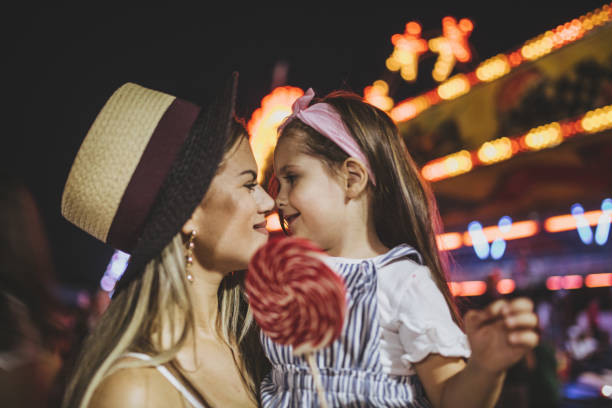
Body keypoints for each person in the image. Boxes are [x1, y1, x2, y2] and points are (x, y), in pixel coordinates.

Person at [265, 88, 539, 407]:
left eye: (292, 178)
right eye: (277, 184)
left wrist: (484, 368)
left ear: (352, 178)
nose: (278, 199)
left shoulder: (404, 282)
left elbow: (452, 399)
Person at [60, 73, 275, 407]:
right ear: (188, 215)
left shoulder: (256, 347)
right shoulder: (135, 390)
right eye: (248, 185)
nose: (268, 202)